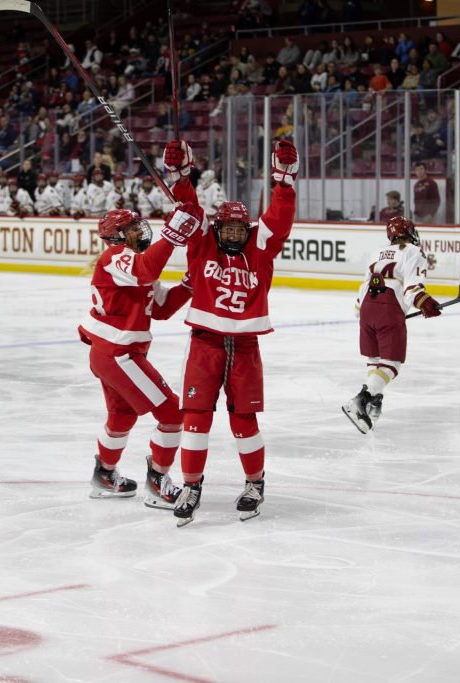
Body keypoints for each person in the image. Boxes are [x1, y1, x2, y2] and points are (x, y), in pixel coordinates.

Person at [161, 137, 299, 526]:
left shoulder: (262, 248)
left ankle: (255, 483)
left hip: (245, 346)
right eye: (229, 229)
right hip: (204, 344)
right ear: (218, 228)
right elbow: (188, 209)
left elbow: (279, 217)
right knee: (195, 419)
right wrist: (181, 177)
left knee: (244, 422)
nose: (236, 235)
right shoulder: (201, 243)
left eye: (242, 229)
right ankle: (191, 485)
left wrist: (284, 183)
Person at [79, 207, 198, 503]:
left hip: (110, 352)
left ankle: (104, 475)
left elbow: (161, 308)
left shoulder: (130, 261)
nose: (138, 230)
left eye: (137, 225)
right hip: (119, 353)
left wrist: (189, 283)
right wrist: (171, 237)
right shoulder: (117, 255)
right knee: (172, 413)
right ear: (115, 235)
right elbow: (147, 270)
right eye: (131, 227)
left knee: (121, 415)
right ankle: (158, 482)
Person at [342, 216, 441, 434]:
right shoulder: (414, 251)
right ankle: (361, 399)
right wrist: (424, 302)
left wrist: (364, 310)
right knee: (392, 363)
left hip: (367, 304)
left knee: (375, 359)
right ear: (409, 233)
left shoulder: (377, 252)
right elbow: (411, 288)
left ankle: (374, 401)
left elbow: (365, 284)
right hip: (389, 304)